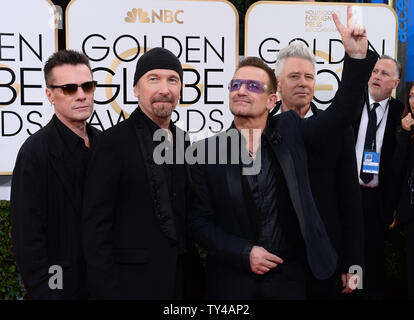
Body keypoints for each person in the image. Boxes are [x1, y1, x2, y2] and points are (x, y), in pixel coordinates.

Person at [188, 7, 376, 299]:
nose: (241, 91)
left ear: (271, 99)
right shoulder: (206, 151)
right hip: (230, 284)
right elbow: (198, 222)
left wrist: (356, 58)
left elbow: (341, 115)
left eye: (253, 86)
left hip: (289, 283)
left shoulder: (290, 132)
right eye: (235, 85)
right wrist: (243, 253)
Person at [82, 47, 203, 299]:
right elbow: (96, 227)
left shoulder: (182, 140)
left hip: (183, 282)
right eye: (153, 79)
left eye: (173, 80)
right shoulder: (112, 142)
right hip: (132, 286)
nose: (164, 89)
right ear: (136, 88)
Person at [270, 42, 364, 299]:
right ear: (277, 83)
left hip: (328, 259)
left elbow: (350, 199)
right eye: (294, 76)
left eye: (309, 77)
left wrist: (354, 264)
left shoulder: (337, 128)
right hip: (275, 262)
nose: (303, 82)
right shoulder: (265, 129)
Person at [10, 50, 99, 299]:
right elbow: (28, 238)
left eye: (87, 86)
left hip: (105, 286)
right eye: (69, 88)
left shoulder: (105, 145)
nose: (81, 96)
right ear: (50, 94)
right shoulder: (34, 154)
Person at [352, 55, 404, 299]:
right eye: (375, 71)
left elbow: (399, 167)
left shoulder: (399, 112)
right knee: (348, 252)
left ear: (395, 83)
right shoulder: (351, 104)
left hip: (379, 199)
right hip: (348, 194)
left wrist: (393, 205)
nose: (377, 76)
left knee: (373, 257)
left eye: (384, 73)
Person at [391, 82, 414, 299]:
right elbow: (397, 169)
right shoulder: (404, 129)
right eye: (412, 96)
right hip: (411, 214)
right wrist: (406, 134)